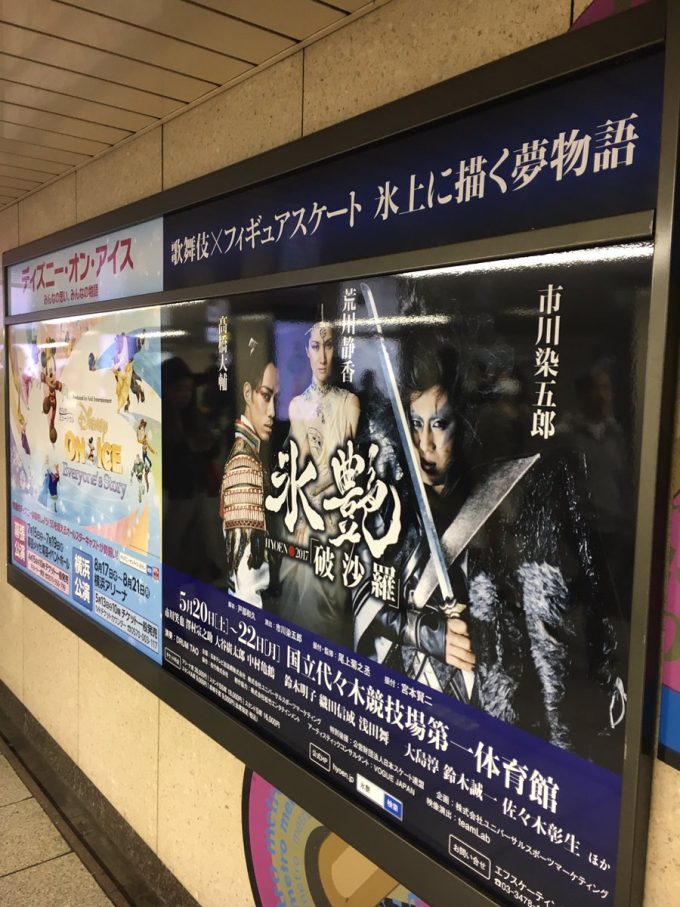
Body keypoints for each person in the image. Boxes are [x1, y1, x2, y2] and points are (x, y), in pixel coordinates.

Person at [353, 331, 626, 767]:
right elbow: (360, 596)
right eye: (415, 424)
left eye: (439, 424)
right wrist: (426, 634)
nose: (425, 444)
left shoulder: (491, 501)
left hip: (482, 716)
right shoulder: (387, 503)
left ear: (462, 426)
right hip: (411, 703)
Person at [276, 316, 360, 646]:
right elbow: (300, 467)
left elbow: (346, 468)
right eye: (315, 346)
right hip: (307, 514)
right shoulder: (297, 405)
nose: (322, 356)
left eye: (328, 346)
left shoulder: (349, 403)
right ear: (307, 352)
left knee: (332, 615)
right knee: (298, 609)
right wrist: (302, 512)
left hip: (337, 518)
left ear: (336, 350)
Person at [220, 332, 279, 608]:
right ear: (247, 393)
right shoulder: (245, 465)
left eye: (276, 398)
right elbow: (247, 582)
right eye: (265, 396)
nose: (272, 411)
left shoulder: (251, 454)